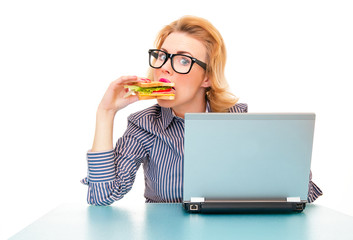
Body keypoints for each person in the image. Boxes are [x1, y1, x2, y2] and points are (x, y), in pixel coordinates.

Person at [81, 16, 322, 205]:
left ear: (207, 77)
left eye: (183, 60)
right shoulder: (143, 125)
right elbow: (102, 196)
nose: (165, 68)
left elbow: (303, 194)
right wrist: (106, 112)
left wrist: (277, 154)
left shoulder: (237, 120)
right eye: (162, 56)